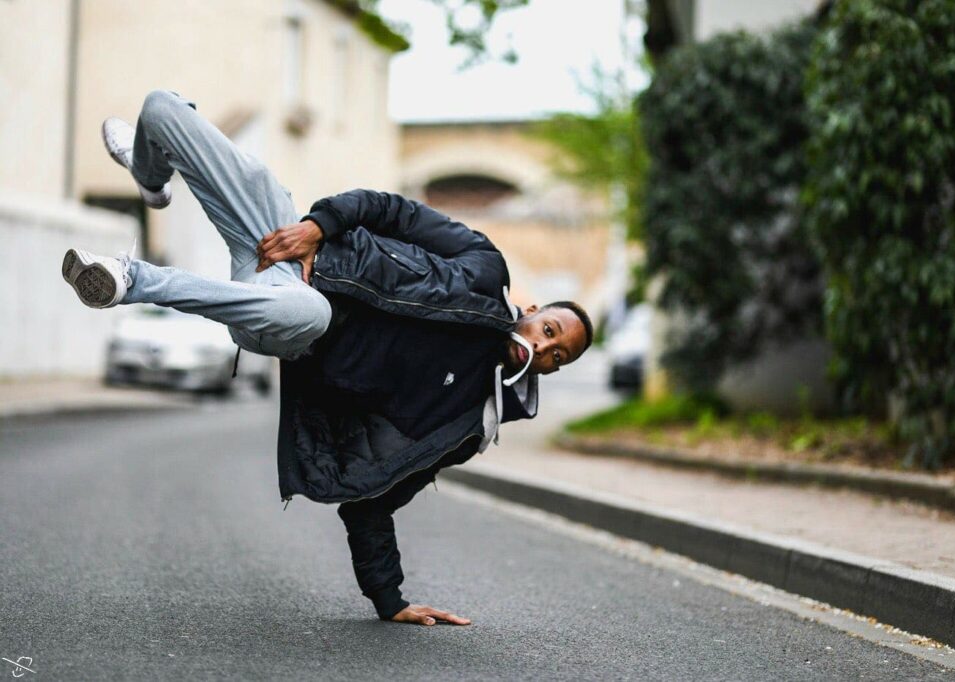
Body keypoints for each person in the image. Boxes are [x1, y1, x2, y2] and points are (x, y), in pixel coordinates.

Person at [61, 90, 593, 627]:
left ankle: (130, 279)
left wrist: (391, 600)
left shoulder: (465, 421)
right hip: (287, 244)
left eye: (557, 357)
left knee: (309, 311)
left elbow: (373, 497)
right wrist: (318, 227)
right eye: (549, 330)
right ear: (530, 310)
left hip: (290, 324)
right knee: (162, 111)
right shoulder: (483, 266)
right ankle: (152, 178)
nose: (545, 348)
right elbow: (394, 211)